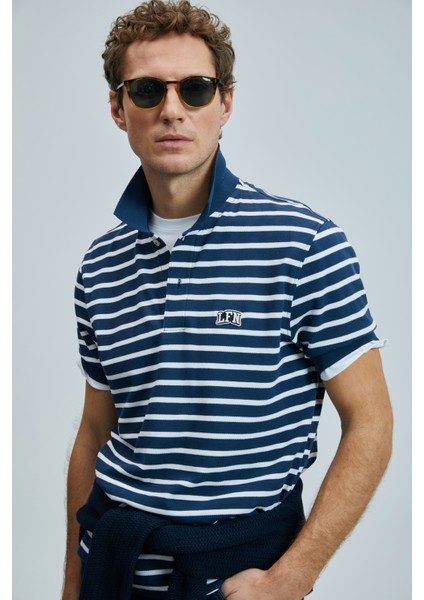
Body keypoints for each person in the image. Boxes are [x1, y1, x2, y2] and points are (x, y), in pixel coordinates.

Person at [62, 1, 393, 598]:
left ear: (226, 103)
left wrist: (293, 576)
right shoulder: (100, 266)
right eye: (146, 90)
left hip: (232, 577)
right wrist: (72, 583)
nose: (171, 110)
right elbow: (94, 433)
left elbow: (371, 422)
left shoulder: (304, 244)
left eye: (195, 89)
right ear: (118, 108)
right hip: (111, 565)